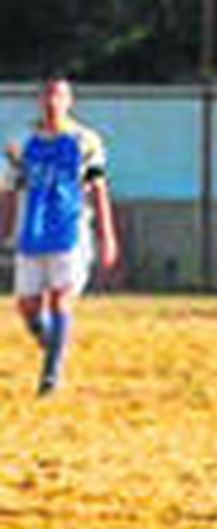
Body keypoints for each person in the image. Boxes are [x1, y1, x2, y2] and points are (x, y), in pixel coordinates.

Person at [0, 75, 118, 396]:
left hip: (70, 229)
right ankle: (53, 343)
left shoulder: (85, 141)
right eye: (48, 95)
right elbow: (9, 189)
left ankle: (50, 376)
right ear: (39, 100)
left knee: (59, 297)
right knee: (26, 306)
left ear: (70, 102)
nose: (53, 102)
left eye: (59, 96)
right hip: (33, 230)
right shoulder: (21, 142)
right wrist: (4, 228)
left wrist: (108, 235)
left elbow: (99, 188)